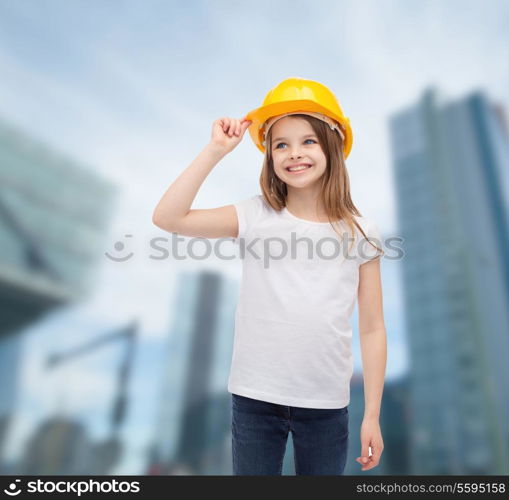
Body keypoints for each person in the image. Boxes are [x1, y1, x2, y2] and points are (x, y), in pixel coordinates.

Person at [152, 77, 387, 475]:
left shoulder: (361, 232)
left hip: (327, 404)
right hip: (254, 400)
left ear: (333, 145)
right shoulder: (255, 215)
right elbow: (168, 218)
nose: (294, 154)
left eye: (308, 141)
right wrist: (214, 152)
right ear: (269, 155)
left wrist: (372, 415)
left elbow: (373, 328)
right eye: (281, 144)